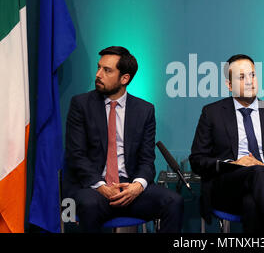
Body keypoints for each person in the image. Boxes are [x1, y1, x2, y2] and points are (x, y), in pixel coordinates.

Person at [63, 46, 183, 232]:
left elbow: (146, 159)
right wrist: (102, 186)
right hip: (93, 188)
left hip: (128, 188)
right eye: (99, 67)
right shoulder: (81, 105)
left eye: (107, 70)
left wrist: (137, 186)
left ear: (124, 78)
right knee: (89, 205)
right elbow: (76, 156)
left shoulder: (144, 110)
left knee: (173, 201)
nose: (98, 74)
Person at [189, 54, 264, 233]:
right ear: (229, 85)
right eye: (242, 77)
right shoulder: (212, 113)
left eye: (252, 75)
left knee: (252, 200)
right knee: (256, 174)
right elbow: (197, 159)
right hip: (228, 188)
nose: (250, 81)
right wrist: (232, 165)